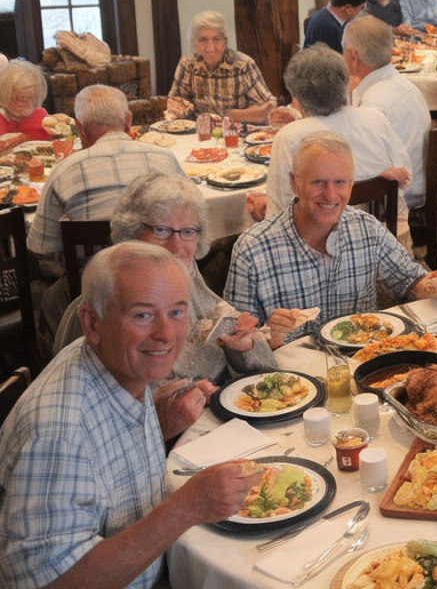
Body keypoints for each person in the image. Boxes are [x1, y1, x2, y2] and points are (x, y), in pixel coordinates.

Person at [0, 242, 262, 589]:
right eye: (142, 315)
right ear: (92, 323)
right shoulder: (58, 432)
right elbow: (52, 583)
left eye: (177, 312)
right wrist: (185, 508)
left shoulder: (121, 371)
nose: (166, 334)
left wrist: (160, 425)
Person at [52, 173, 282, 438]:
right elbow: (102, 431)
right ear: (130, 234)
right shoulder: (107, 309)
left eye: (188, 231)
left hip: (216, 429)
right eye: (161, 230)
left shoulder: (188, 275)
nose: (176, 246)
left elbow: (267, 371)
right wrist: (162, 422)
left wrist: (245, 349)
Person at [226, 132, 437, 337]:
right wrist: (269, 340)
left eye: (340, 182)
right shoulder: (252, 249)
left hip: (361, 367)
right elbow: (234, 345)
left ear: (351, 185)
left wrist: (435, 285)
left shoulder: (367, 229)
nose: (330, 194)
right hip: (292, 377)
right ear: (295, 183)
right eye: (318, 182)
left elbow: (412, 282)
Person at [28, 85, 186, 257]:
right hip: (163, 275)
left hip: (93, 280)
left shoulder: (63, 171)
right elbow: (193, 220)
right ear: (128, 121)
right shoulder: (165, 158)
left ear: (80, 127)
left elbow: (41, 247)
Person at [264, 44, 412, 226]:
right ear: (344, 84)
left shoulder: (290, 137)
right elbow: (405, 177)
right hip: (389, 232)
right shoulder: (374, 117)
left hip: (322, 243)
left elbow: (281, 211)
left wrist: (263, 206)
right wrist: (373, 177)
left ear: (296, 95)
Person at [344, 15, 431, 209]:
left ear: (353, 57)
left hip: (399, 198)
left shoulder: (374, 107)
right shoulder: (404, 85)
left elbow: (364, 170)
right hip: (421, 183)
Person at [169, 10, 276, 123]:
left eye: (216, 39)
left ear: (225, 42)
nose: (210, 48)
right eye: (203, 40)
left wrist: (233, 116)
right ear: (195, 44)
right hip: (200, 133)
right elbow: (175, 103)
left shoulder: (243, 65)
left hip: (236, 133)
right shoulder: (189, 65)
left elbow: (270, 107)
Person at [0, 61, 71, 149]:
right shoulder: (2, 120)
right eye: (21, 99)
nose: (26, 103)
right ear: (5, 96)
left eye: (31, 98)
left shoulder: (40, 115)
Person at [303, 0, 367, 53]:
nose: (361, 12)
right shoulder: (327, 27)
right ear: (347, 8)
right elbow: (332, 63)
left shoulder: (326, 16)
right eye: (361, 8)